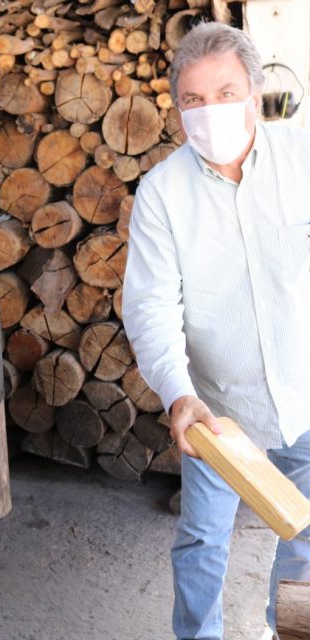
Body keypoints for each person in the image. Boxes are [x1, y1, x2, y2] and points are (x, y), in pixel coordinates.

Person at [122, 21, 310, 640]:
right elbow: (150, 306)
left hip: (306, 395)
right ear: (177, 109)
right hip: (218, 412)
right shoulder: (161, 193)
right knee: (203, 541)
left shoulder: (303, 161)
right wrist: (180, 394)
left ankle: (290, 632)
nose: (211, 112)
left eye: (226, 93)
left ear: (255, 94)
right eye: (194, 100)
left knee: (308, 539)